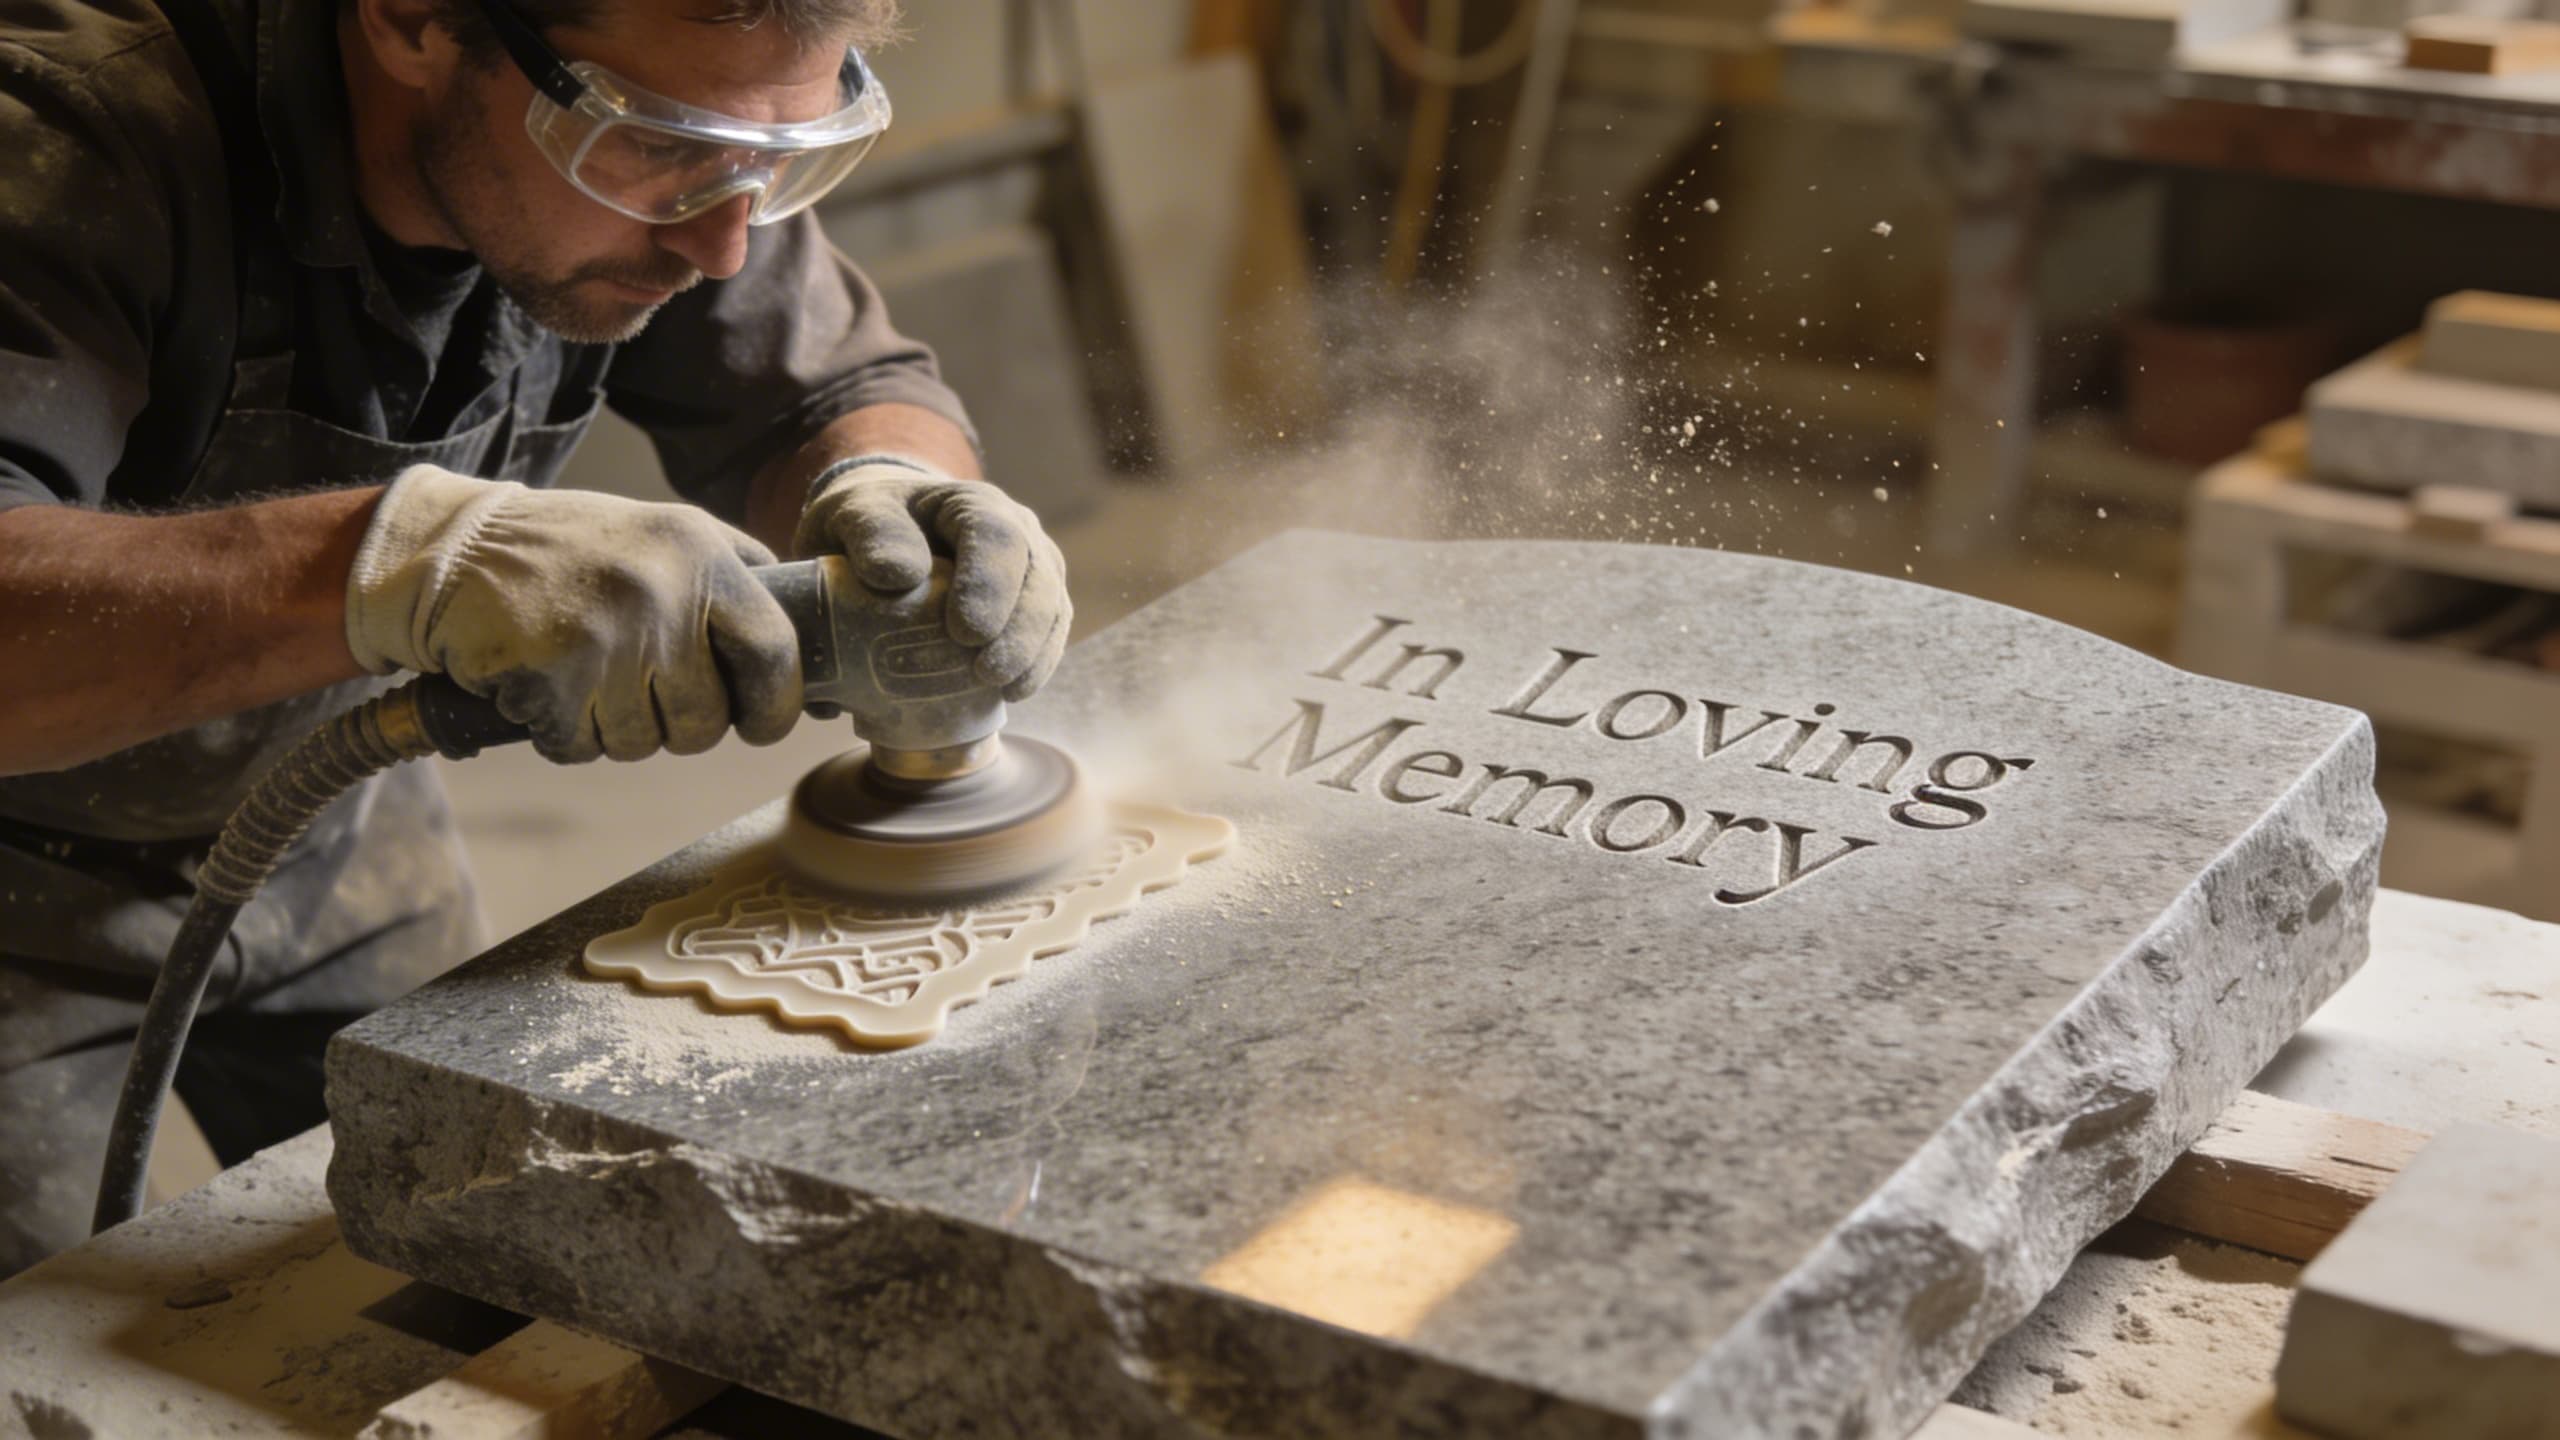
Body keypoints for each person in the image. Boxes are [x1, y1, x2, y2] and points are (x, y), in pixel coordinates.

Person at [0, 0, 1069, 1273]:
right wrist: (397, 564)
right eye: (667, 150)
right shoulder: (70, 135)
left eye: (772, 157)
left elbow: (835, 387)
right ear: (411, 19)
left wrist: (893, 491)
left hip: (334, 842)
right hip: (19, 884)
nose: (725, 242)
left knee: (486, 1247)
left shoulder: (667, 132)